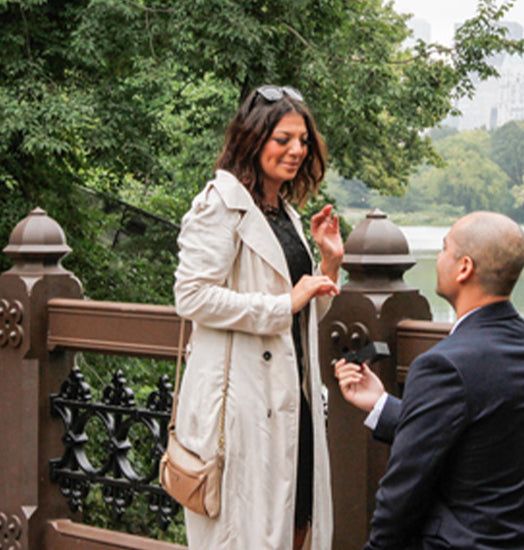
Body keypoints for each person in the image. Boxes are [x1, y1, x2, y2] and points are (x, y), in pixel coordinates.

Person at [335, 211, 524, 550]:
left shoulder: (442, 365)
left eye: (445, 248)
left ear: (464, 268)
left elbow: (403, 489)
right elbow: (480, 439)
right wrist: (381, 403)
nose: (438, 258)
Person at [174, 85, 342, 550]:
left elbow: (299, 314)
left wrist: (327, 265)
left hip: (293, 398)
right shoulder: (219, 203)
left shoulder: (284, 212)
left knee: (299, 525)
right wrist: (281, 305)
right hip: (242, 402)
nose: (296, 151)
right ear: (253, 139)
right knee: (246, 534)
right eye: (283, 139)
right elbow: (191, 297)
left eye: (303, 141)